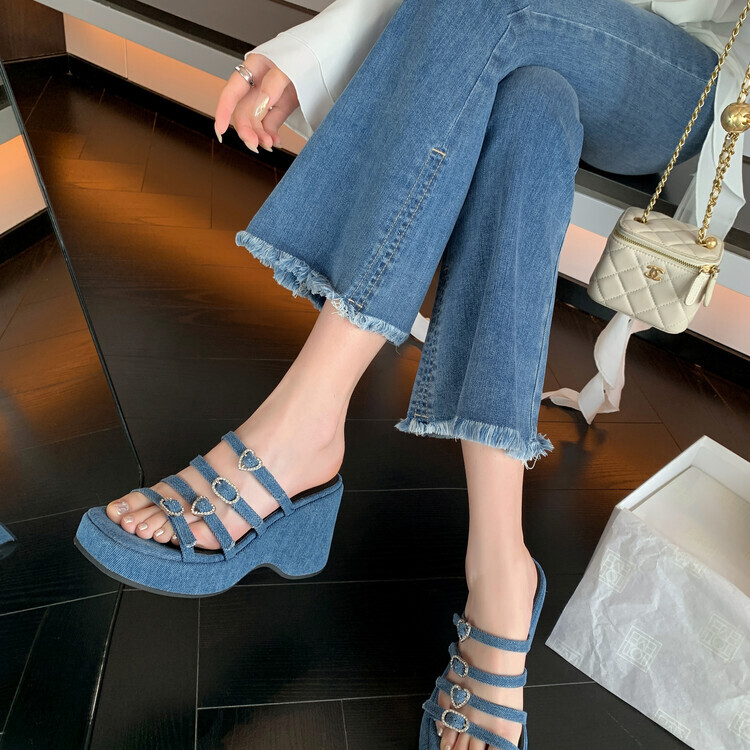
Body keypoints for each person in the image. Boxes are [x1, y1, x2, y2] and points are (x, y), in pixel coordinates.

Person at [79, 1, 748, 748]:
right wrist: (310, 49)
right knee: (534, 107)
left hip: (691, 71)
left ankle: (301, 429)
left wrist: (319, 46)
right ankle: (502, 569)